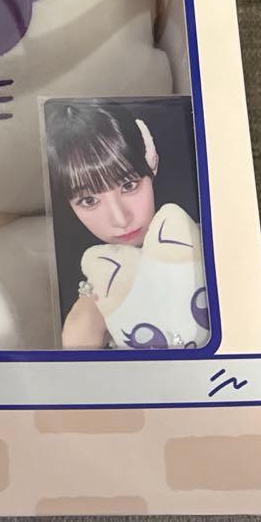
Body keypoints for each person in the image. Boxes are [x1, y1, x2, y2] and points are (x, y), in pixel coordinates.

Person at [44, 100, 162, 348]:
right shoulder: (88, 314)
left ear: (152, 161)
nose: (121, 219)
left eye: (129, 185)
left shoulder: (209, 235)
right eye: (89, 200)